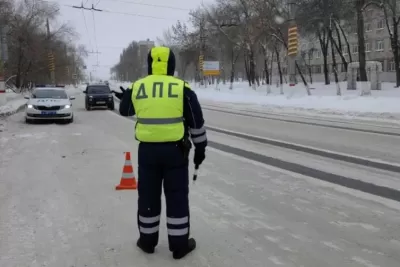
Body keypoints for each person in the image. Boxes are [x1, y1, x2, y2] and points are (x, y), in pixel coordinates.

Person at [113, 46, 207, 259]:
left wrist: (126, 96)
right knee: (176, 197)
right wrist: (200, 148)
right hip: (176, 151)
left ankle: (147, 242)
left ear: (150, 64)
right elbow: (196, 122)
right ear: (171, 65)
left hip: (147, 152)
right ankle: (179, 245)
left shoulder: (138, 86)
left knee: (148, 196)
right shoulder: (181, 88)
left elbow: (125, 111)